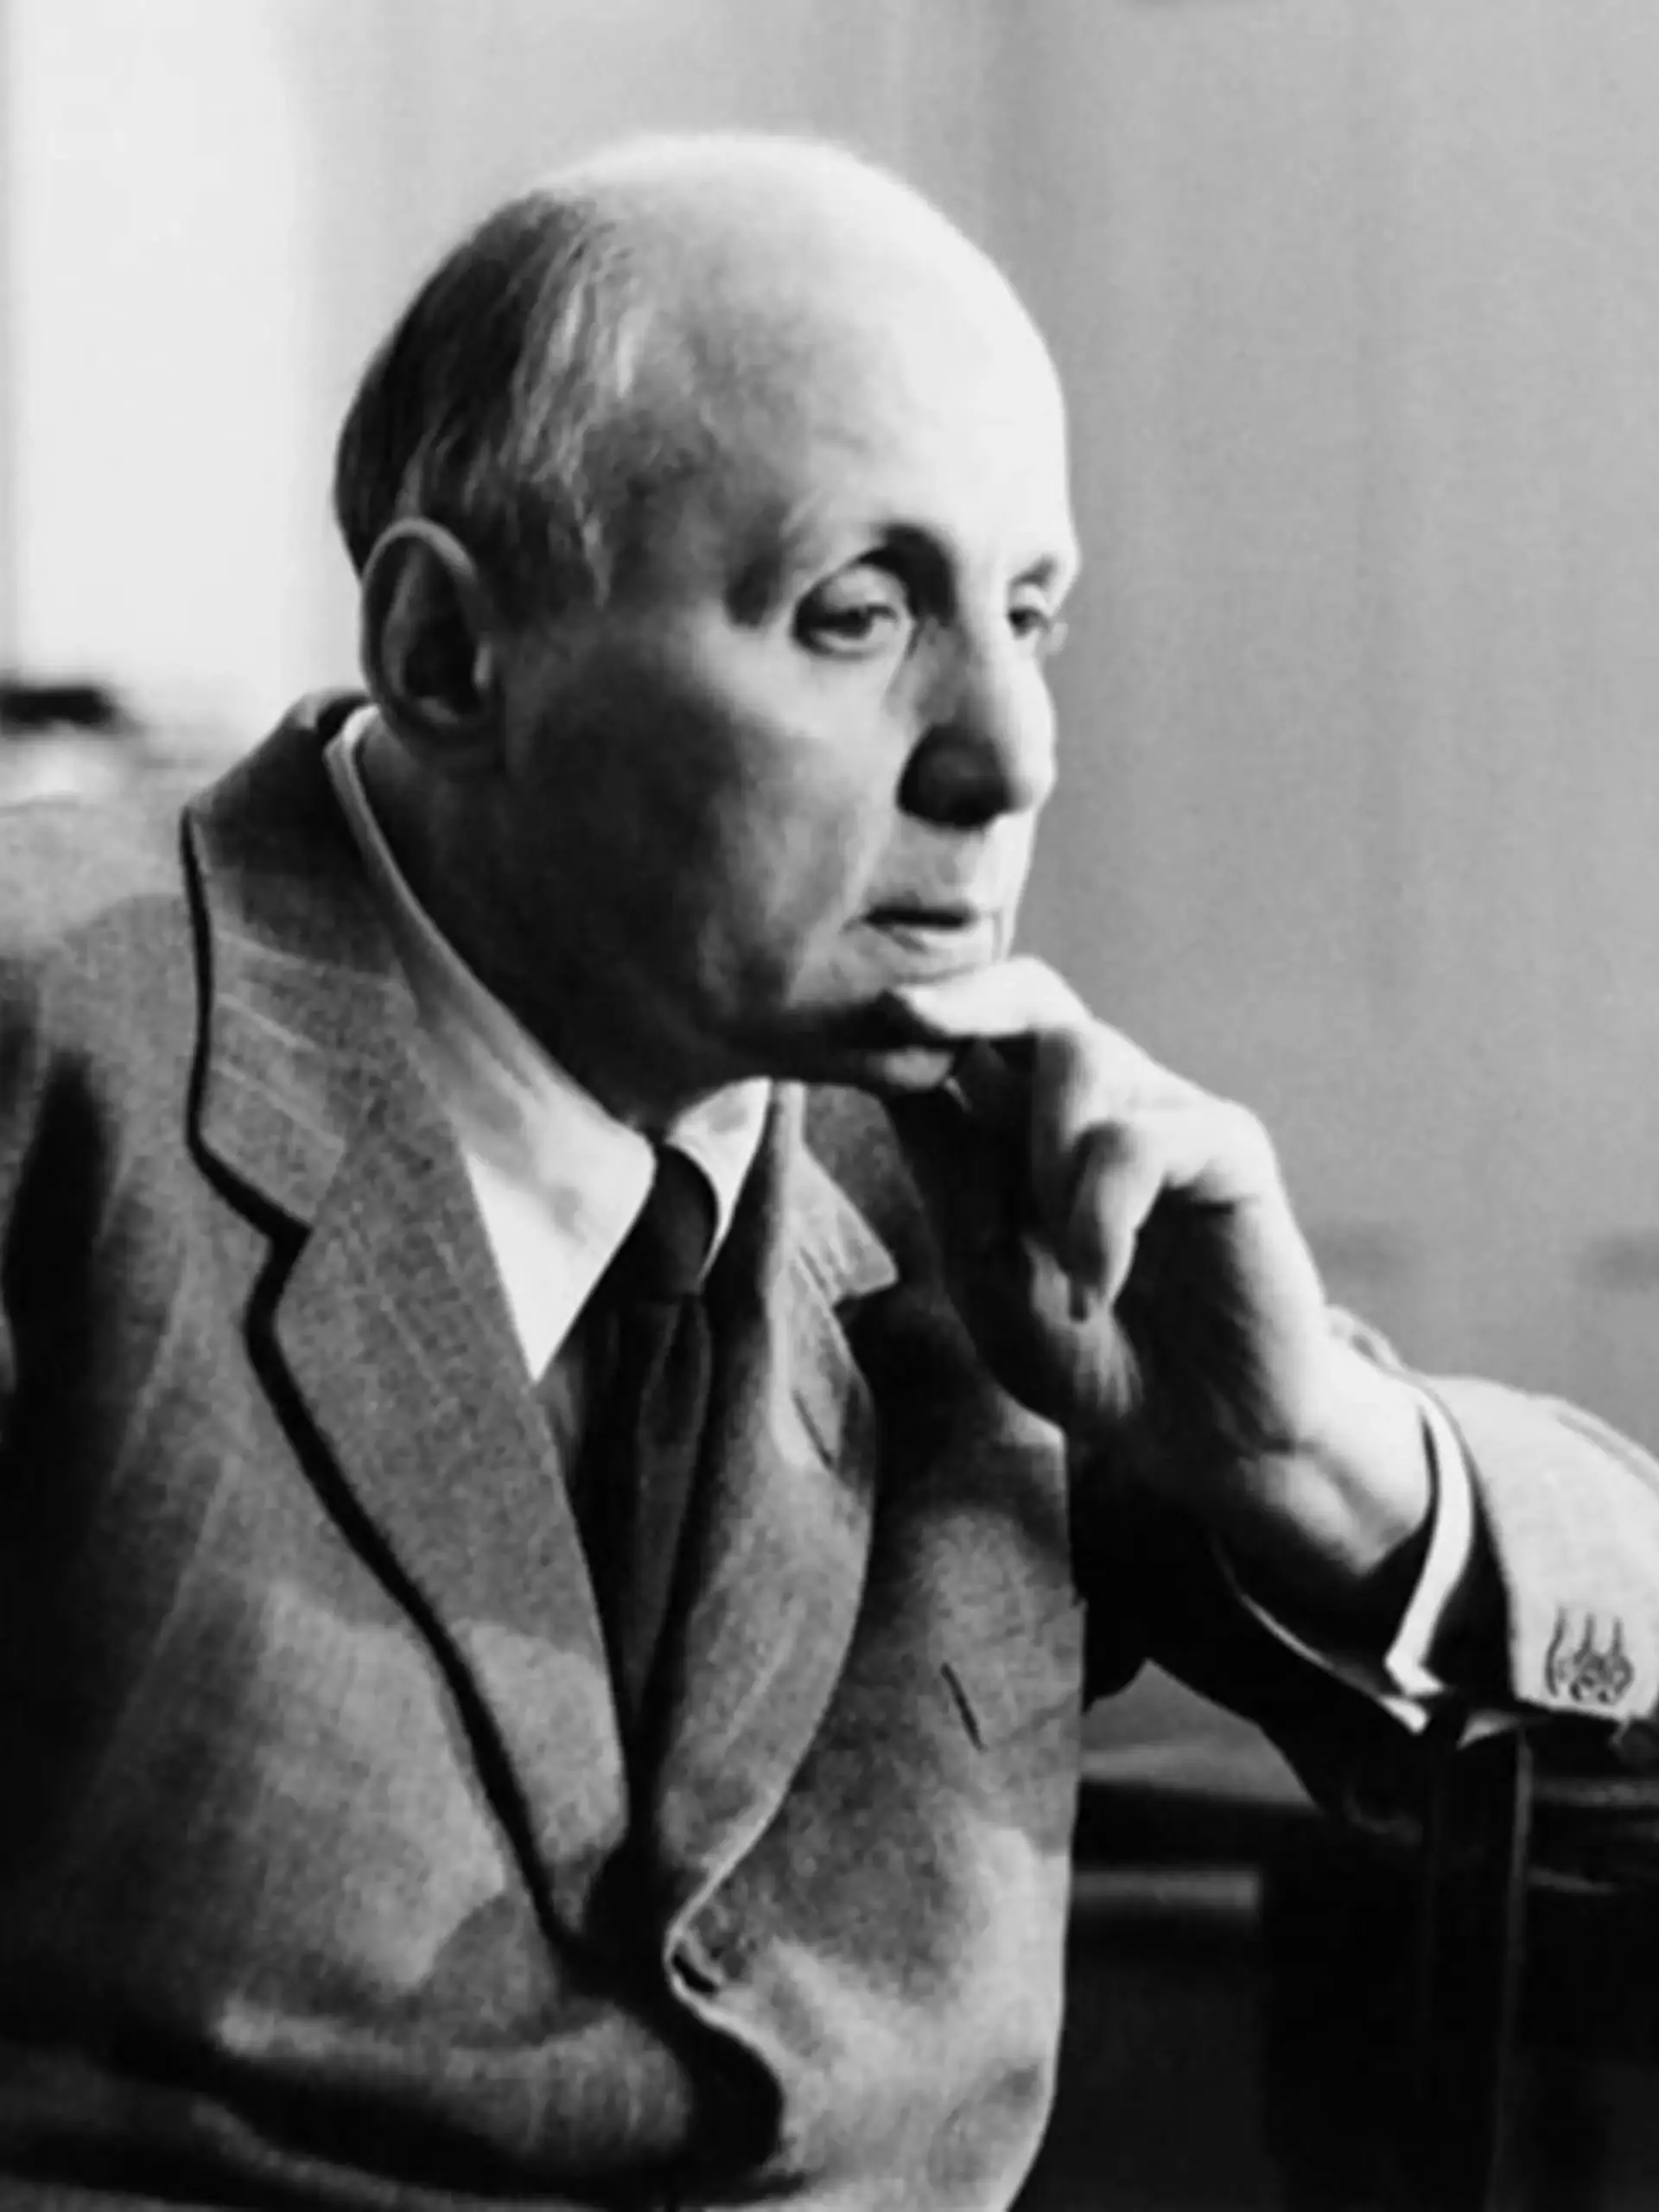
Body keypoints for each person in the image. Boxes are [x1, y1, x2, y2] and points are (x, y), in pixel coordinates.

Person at [0, 129, 1654, 2212]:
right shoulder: (60, 1046)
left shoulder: (976, 1167)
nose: (1014, 752)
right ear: (448, 651)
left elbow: (1620, 1730)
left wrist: (1307, 1445)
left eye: (1032, 613)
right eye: (860, 614)